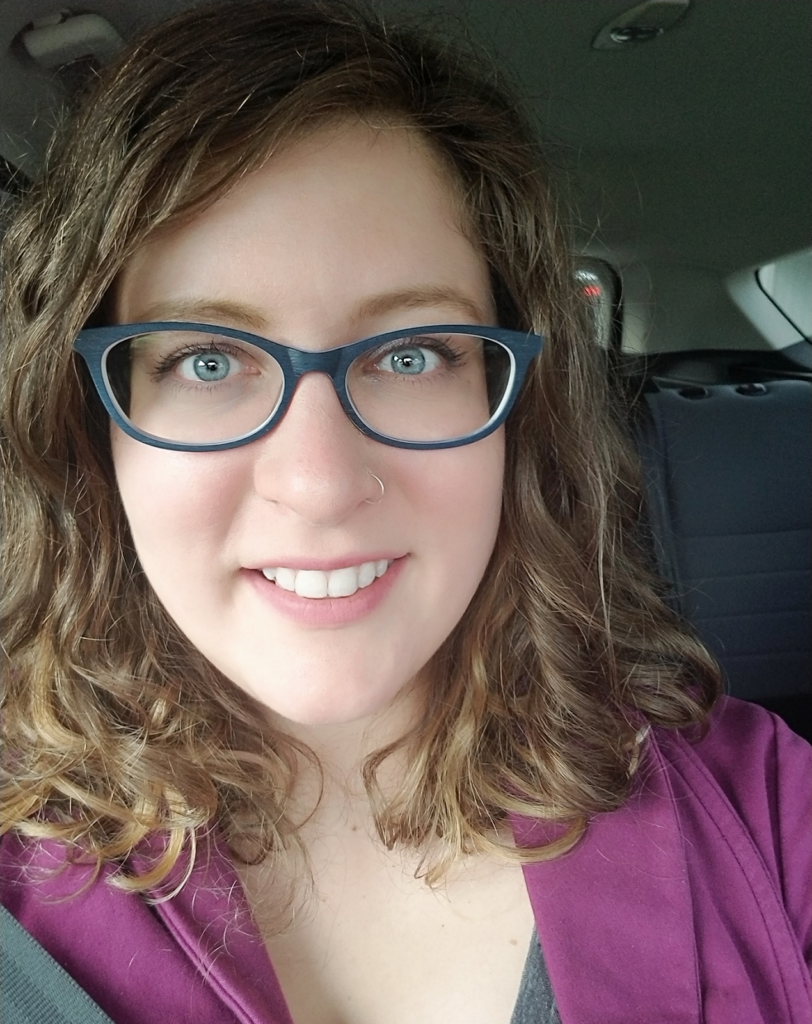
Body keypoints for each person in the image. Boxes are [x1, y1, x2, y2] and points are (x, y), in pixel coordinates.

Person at [1, 2, 809, 1022]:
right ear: (90, 427)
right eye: (206, 361)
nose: (320, 481)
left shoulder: (763, 818)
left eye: (409, 354)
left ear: (510, 404)